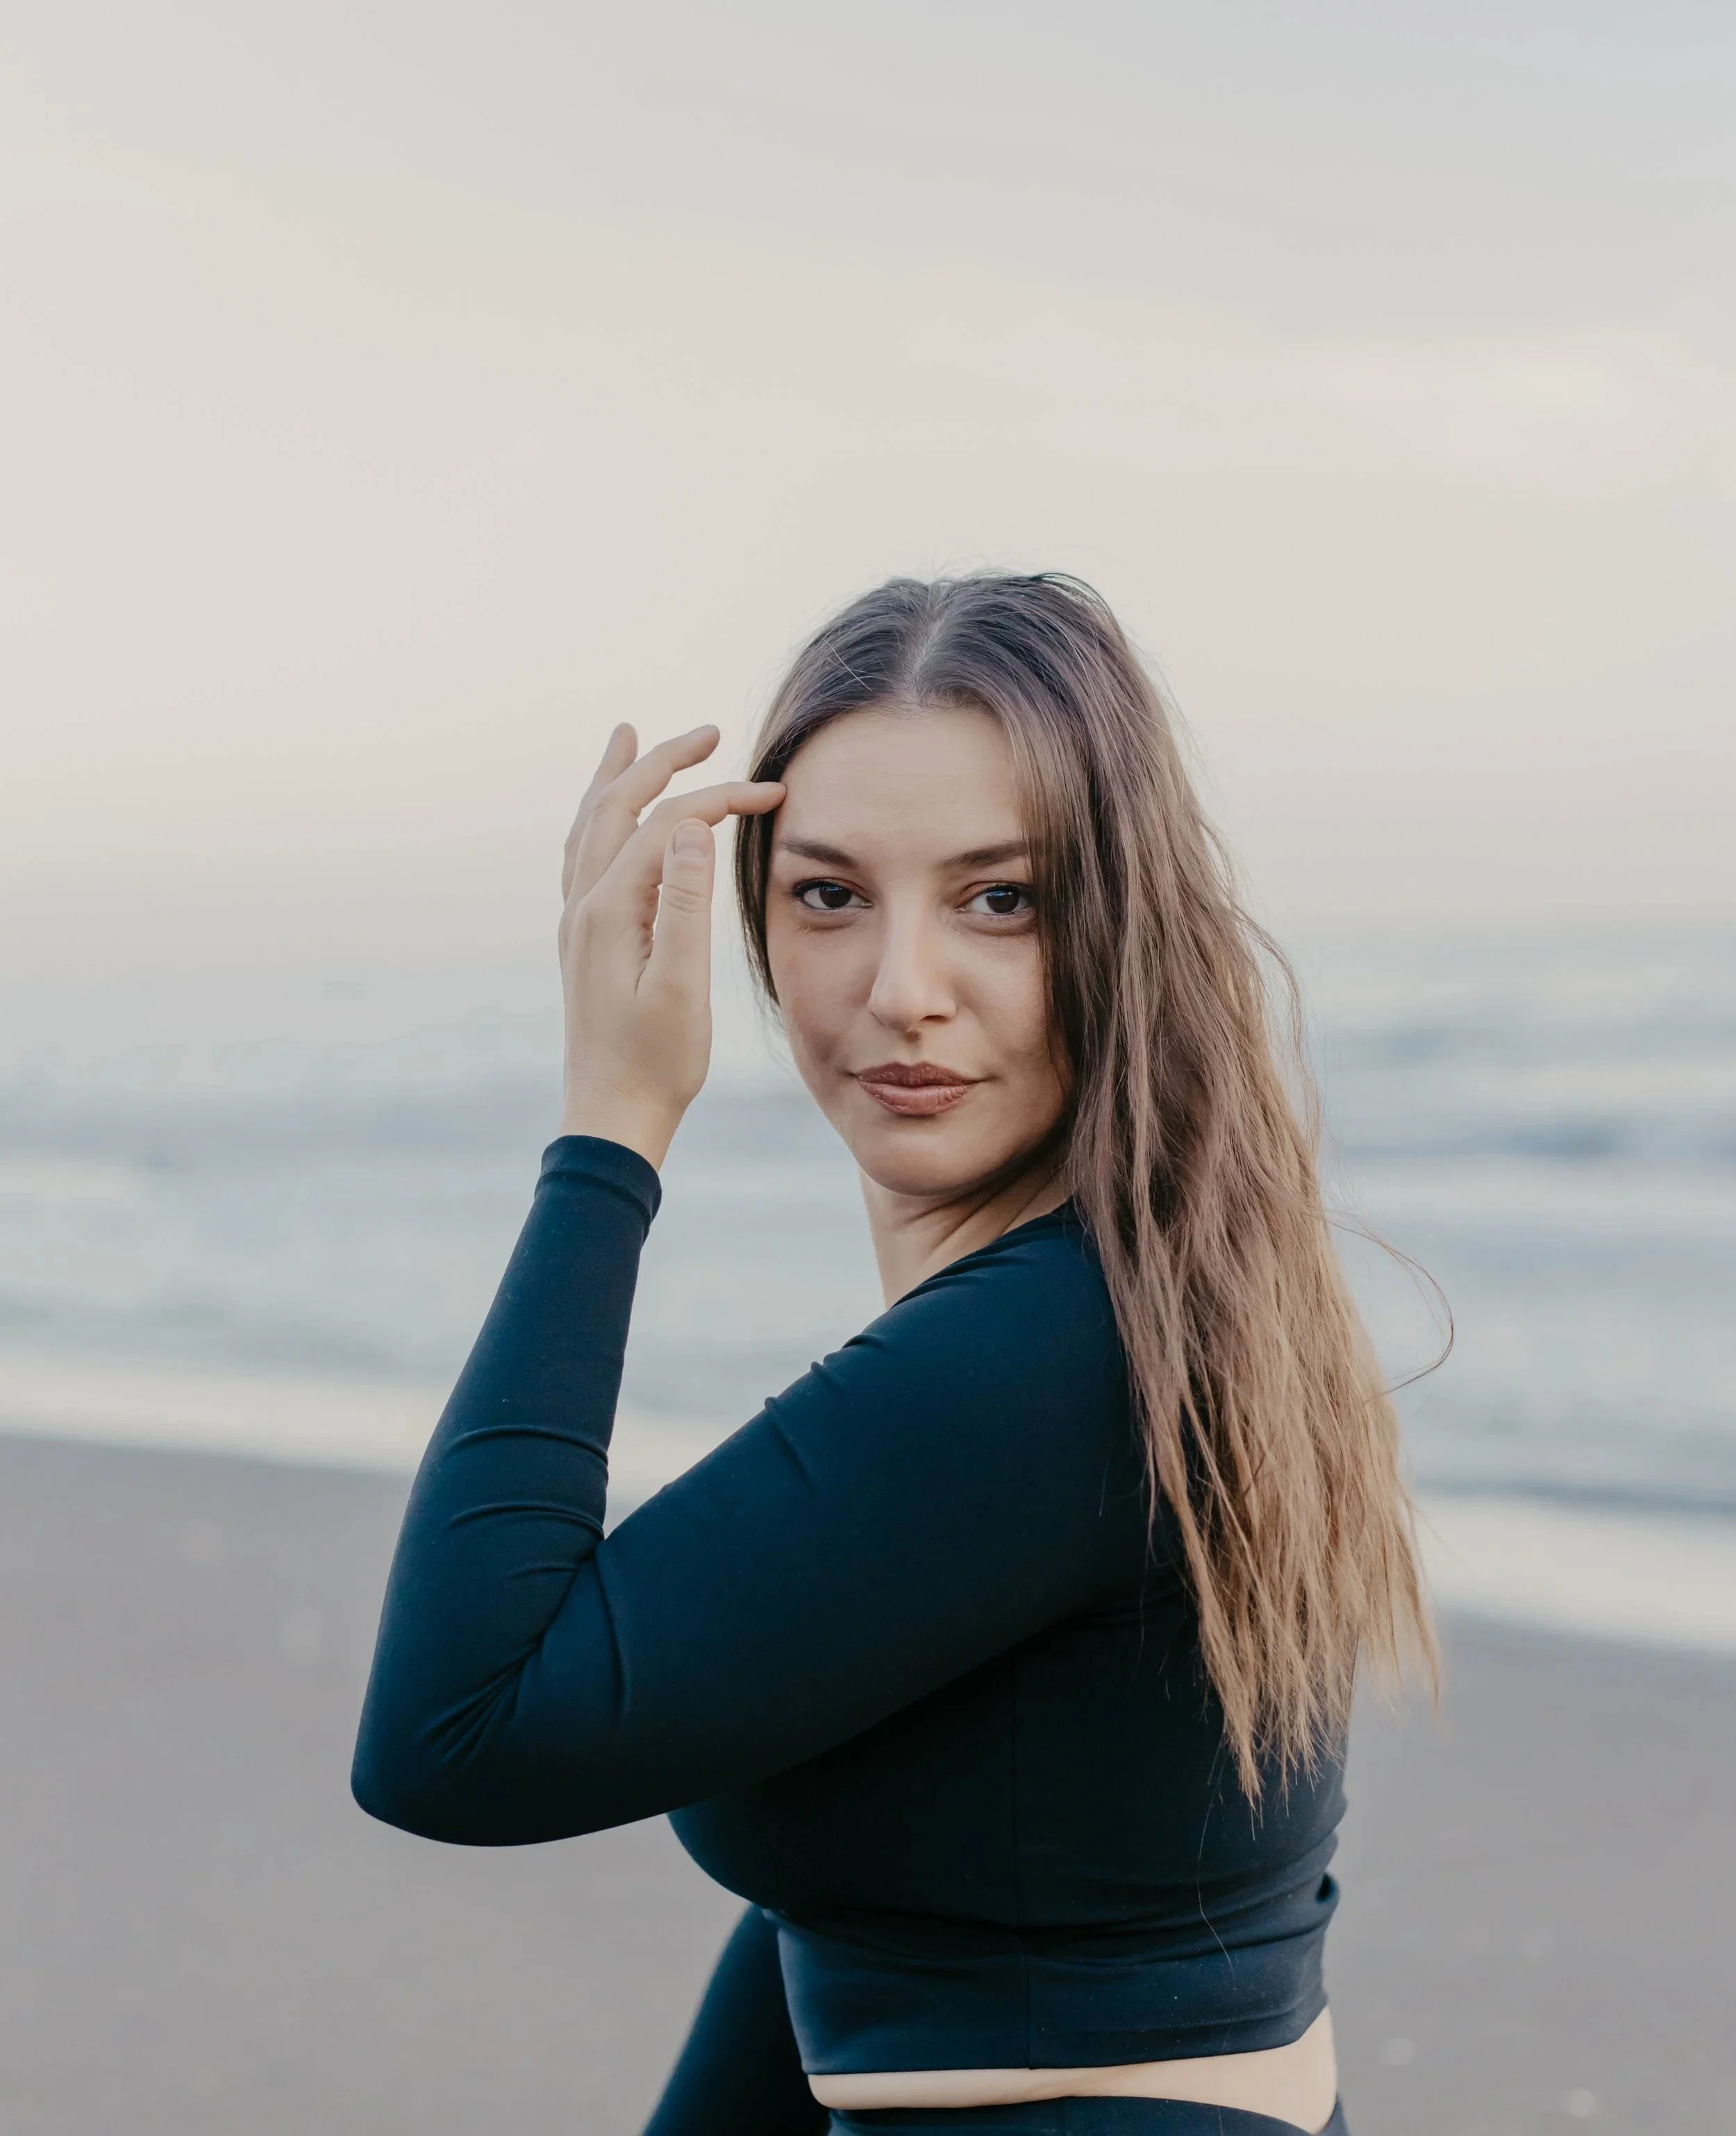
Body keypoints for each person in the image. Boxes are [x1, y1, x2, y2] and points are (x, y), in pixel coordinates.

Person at [351, 573, 1433, 2135]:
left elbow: (452, 1737)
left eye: (1000, 897)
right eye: (828, 895)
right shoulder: (1156, 1296)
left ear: (1119, 925)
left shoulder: (1048, 1359)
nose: (900, 990)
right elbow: (847, 1920)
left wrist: (609, 1120)